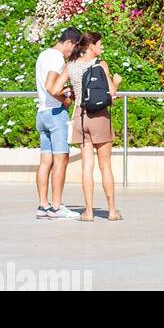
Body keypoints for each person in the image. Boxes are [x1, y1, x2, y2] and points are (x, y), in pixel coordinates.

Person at [66, 32, 123, 222]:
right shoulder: (100, 65)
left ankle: (88, 211)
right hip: (99, 116)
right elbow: (112, 94)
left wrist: (69, 94)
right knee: (105, 166)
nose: (102, 48)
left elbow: (55, 87)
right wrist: (116, 82)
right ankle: (112, 210)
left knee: (86, 166)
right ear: (91, 46)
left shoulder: (71, 66)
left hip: (80, 117)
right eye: (100, 44)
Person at [34, 26, 82, 220]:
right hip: (55, 113)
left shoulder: (43, 55)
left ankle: (43, 205)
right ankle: (56, 206)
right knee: (61, 159)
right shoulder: (56, 58)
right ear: (68, 42)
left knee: (45, 161)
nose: (73, 53)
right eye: (74, 48)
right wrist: (66, 98)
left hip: (42, 112)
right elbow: (51, 86)